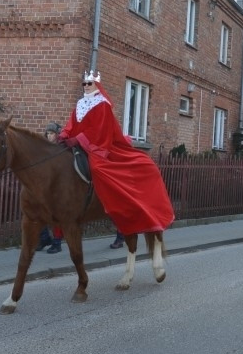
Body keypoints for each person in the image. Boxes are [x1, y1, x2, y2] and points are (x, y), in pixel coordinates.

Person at [57, 71, 174, 238]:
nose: (86, 86)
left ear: (97, 85)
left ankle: (109, 204)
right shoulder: (80, 103)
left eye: (90, 83)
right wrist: (64, 134)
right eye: (84, 83)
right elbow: (71, 123)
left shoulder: (102, 104)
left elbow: (98, 130)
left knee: (98, 169)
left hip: (97, 145)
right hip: (76, 144)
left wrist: (78, 139)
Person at [36, 122, 65, 253]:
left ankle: (57, 243)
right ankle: (45, 238)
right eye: (47, 133)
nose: (49, 136)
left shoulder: (62, 149)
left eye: (52, 133)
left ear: (57, 134)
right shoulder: (44, 149)